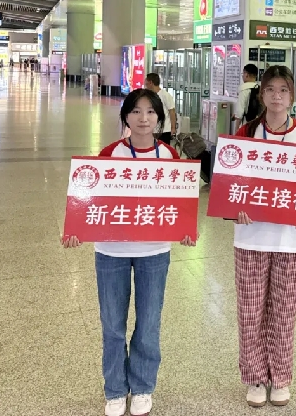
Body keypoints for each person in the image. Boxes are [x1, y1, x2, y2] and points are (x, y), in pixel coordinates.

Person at [62, 89, 196, 416]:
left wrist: (187, 230)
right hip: (111, 251)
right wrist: (77, 229)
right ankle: (115, 390)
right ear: (125, 117)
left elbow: (181, 204)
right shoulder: (110, 153)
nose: (143, 118)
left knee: (149, 323)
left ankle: (143, 387)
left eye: (150, 112)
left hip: (154, 251)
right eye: (136, 111)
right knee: (112, 325)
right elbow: (89, 199)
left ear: (159, 118)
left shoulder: (168, 156)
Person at [232, 65, 296, 408]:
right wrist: (235, 207)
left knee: (284, 312)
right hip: (250, 237)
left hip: (291, 240)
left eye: (283, 90)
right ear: (261, 94)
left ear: (292, 96)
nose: (277, 96)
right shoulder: (246, 132)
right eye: (270, 89)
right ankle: (255, 376)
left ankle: (280, 377)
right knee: (250, 312)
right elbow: (231, 181)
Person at [144, 73, 177, 145]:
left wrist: (173, 128)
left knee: (163, 150)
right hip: (152, 130)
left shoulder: (165, 95)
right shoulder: (149, 96)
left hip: (164, 130)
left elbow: (172, 112)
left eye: (146, 83)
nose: (145, 85)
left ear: (151, 83)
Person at [233, 63, 260, 130]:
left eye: (243, 73)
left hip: (246, 125)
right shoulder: (259, 89)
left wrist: (236, 129)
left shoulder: (244, 90)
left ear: (246, 74)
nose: (243, 76)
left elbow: (239, 113)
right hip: (258, 125)